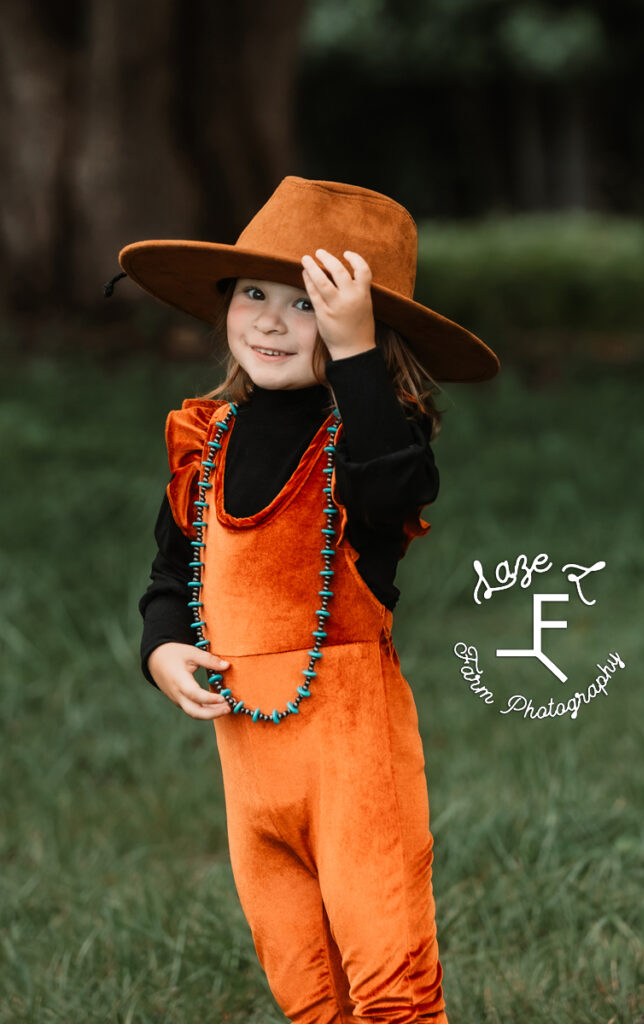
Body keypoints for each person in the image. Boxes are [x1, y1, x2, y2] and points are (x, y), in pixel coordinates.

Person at [108, 176, 500, 1024]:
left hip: (354, 771)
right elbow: (172, 575)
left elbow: (392, 487)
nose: (272, 320)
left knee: (387, 977)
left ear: (366, 330)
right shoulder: (204, 445)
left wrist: (354, 355)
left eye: (310, 303)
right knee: (304, 984)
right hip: (251, 777)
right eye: (254, 293)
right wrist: (162, 646)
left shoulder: (369, 449)